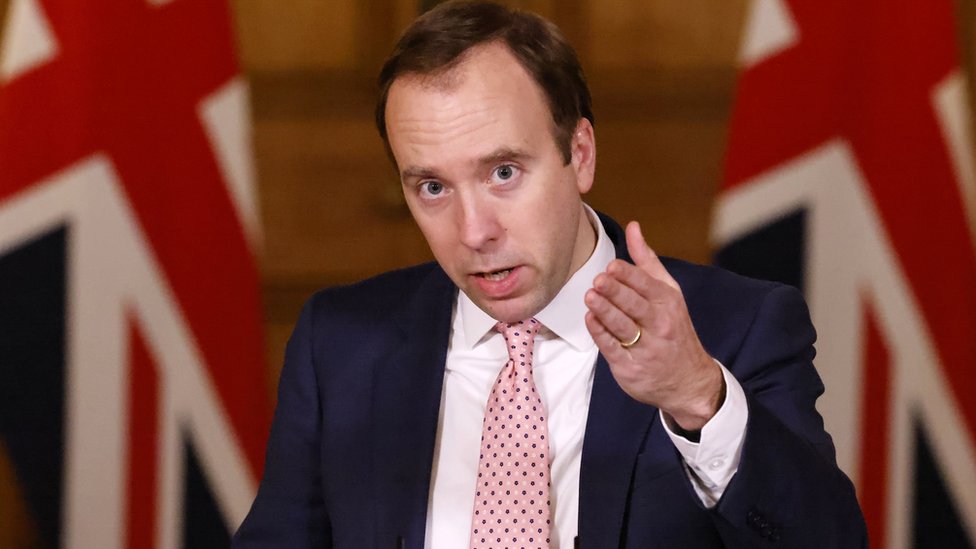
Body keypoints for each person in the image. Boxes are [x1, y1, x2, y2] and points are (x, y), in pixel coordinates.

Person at [233, 1, 866, 547]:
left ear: (580, 155)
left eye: (503, 172)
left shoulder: (737, 327)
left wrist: (697, 396)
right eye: (432, 186)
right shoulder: (340, 343)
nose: (475, 230)